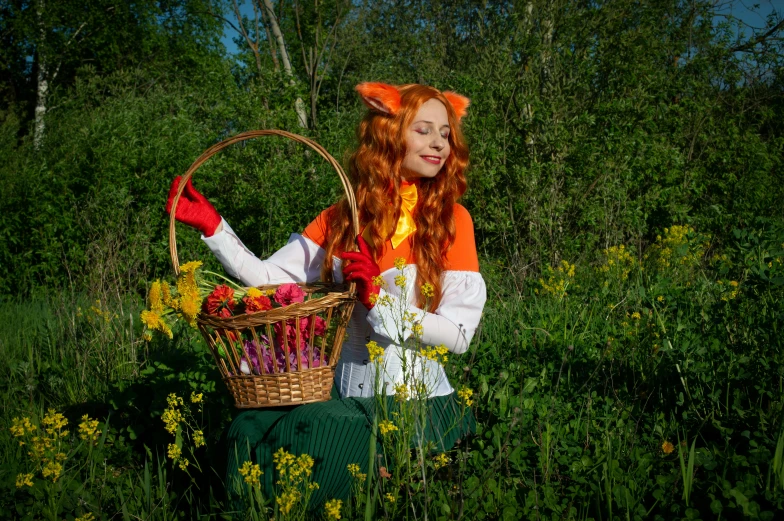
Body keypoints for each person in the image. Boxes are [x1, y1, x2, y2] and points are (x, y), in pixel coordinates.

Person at [166, 82, 487, 508]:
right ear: (388, 134)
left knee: (315, 432)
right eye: (423, 130)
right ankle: (242, 508)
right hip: (344, 390)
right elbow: (268, 278)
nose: (438, 144)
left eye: (445, 133)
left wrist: (380, 300)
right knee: (249, 424)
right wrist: (214, 228)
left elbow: (459, 336)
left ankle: (291, 501)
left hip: (415, 403)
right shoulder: (342, 216)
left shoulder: (452, 221)